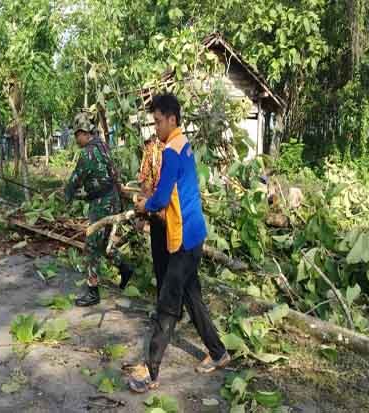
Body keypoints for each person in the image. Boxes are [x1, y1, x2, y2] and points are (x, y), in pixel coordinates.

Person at [129, 93, 230, 393]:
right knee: (192, 297)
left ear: (172, 119)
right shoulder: (183, 146)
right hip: (193, 234)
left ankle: (151, 370)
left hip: (184, 240)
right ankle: (219, 352)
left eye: (158, 121)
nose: (155, 127)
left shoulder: (172, 151)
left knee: (168, 303)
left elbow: (160, 196)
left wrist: (143, 206)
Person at [64, 112, 134, 307]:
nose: (76, 139)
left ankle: (92, 291)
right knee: (103, 244)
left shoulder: (87, 153)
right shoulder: (103, 146)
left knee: (91, 247)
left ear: (83, 133)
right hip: (111, 199)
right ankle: (125, 267)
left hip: (101, 204)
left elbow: (75, 179)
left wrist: (66, 196)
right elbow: (112, 173)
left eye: (77, 135)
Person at [138, 134, 169, 301]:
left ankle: (164, 309)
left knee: (161, 264)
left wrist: (143, 213)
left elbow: (146, 183)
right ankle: (175, 309)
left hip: (159, 214)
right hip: (178, 215)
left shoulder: (152, 148)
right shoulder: (179, 145)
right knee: (175, 264)